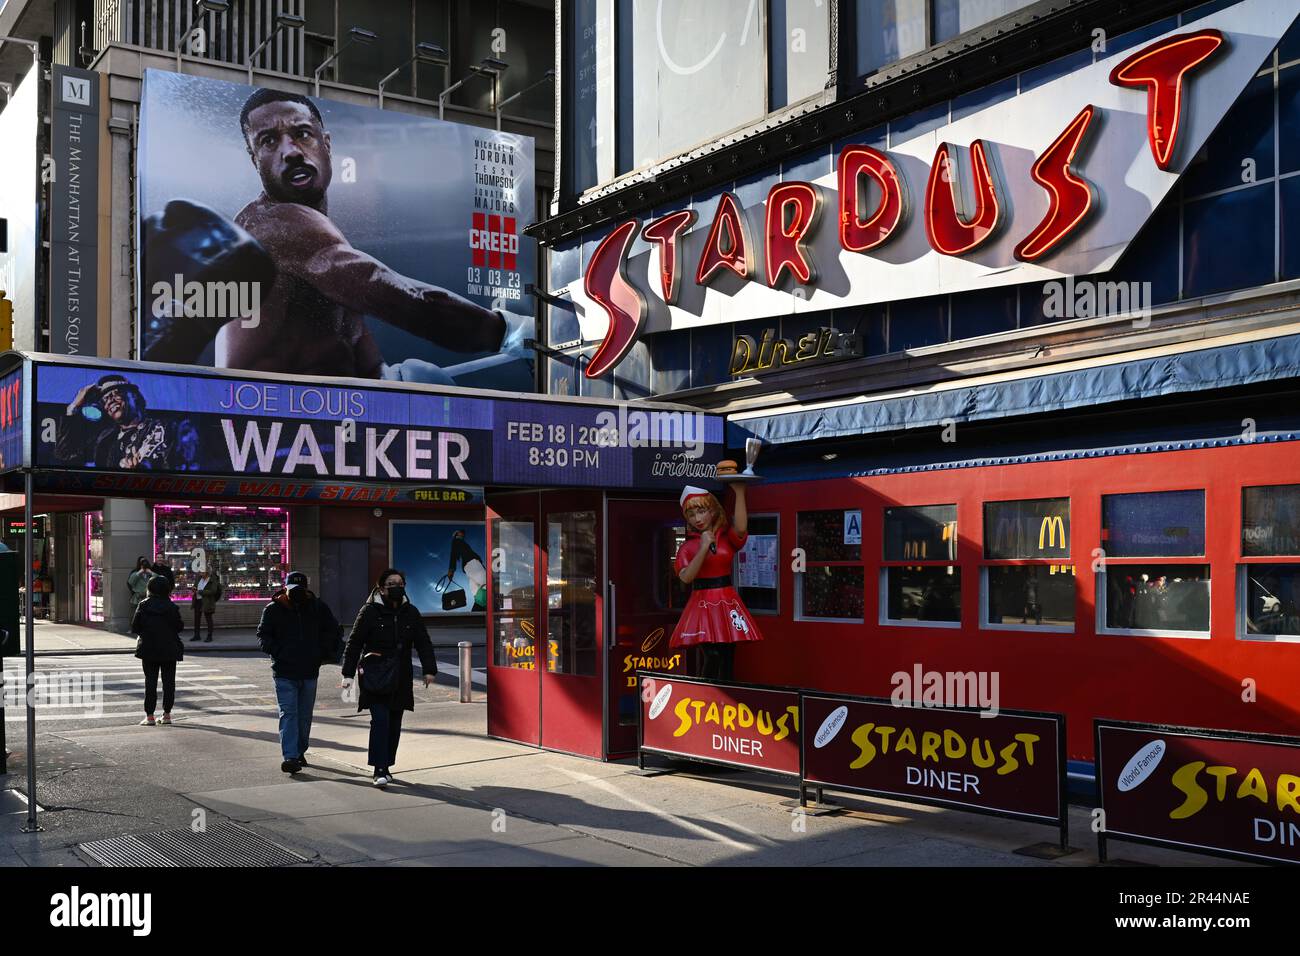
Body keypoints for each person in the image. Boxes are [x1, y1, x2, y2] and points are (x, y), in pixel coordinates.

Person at [204, 88, 522, 381]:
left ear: (326, 144)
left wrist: (396, 378)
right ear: (254, 160)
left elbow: (362, 363)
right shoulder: (273, 225)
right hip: (266, 434)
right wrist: (506, 330)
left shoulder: (319, 248)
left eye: (302, 134)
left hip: (306, 432)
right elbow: (408, 303)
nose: (291, 152)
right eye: (269, 141)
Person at [341, 569, 438, 787]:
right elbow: (354, 642)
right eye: (392, 583)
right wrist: (347, 674)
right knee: (380, 721)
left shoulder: (410, 612)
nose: (397, 586)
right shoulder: (369, 612)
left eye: (400, 583)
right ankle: (379, 768)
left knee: (395, 723)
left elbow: (423, 641)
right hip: (376, 674)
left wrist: (429, 669)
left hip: (401, 676)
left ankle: (387, 764)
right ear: (382, 588)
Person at [671, 485, 763, 681]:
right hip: (702, 603)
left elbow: (740, 529)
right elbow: (686, 577)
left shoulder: (726, 538)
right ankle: (705, 695)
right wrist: (703, 547)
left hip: (727, 600)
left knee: (728, 655)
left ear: (713, 510)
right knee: (711, 655)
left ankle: (725, 698)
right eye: (692, 514)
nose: (697, 518)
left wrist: (739, 492)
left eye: (701, 511)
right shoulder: (687, 547)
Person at [256, 570, 340, 775]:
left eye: (299, 589)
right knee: (289, 713)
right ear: (285, 588)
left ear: (306, 589)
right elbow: (263, 636)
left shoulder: (317, 607)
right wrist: (278, 652)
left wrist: (321, 653)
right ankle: (291, 756)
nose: (296, 593)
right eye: (292, 589)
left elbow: (333, 631)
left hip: (309, 670)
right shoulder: (273, 609)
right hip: (284, 671)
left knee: (304, 715)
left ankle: (299, 751)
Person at [55, 374, 200, 471]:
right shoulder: (104, 439)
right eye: (105, 399)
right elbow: (64, 456)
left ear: (134, 396)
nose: (110, 400)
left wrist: (143, 473)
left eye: (116, 393)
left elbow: (180, 468)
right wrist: (73, 407)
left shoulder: (166, 427)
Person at [131, 575, 185, 726]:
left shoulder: (143, 605)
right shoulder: (172, 607)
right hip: (169, 648)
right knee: (169, 682)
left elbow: (135, 627)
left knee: (150, 682)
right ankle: (167, 714)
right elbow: (179, 626)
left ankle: (149, 716)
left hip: (149, 648)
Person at [190, 568, 222, 643]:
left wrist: (200, 592)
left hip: (207, 602)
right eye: (200, 572)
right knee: (197, 619)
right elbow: (195, 586)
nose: (201, 573)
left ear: (207, 572)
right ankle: (196, 635)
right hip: (197, 601)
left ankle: (209, 636)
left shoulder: (212, 580)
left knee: (208, 619)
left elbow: (213, 591)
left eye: (202, 572)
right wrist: (194, 588)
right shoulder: (199, 578)